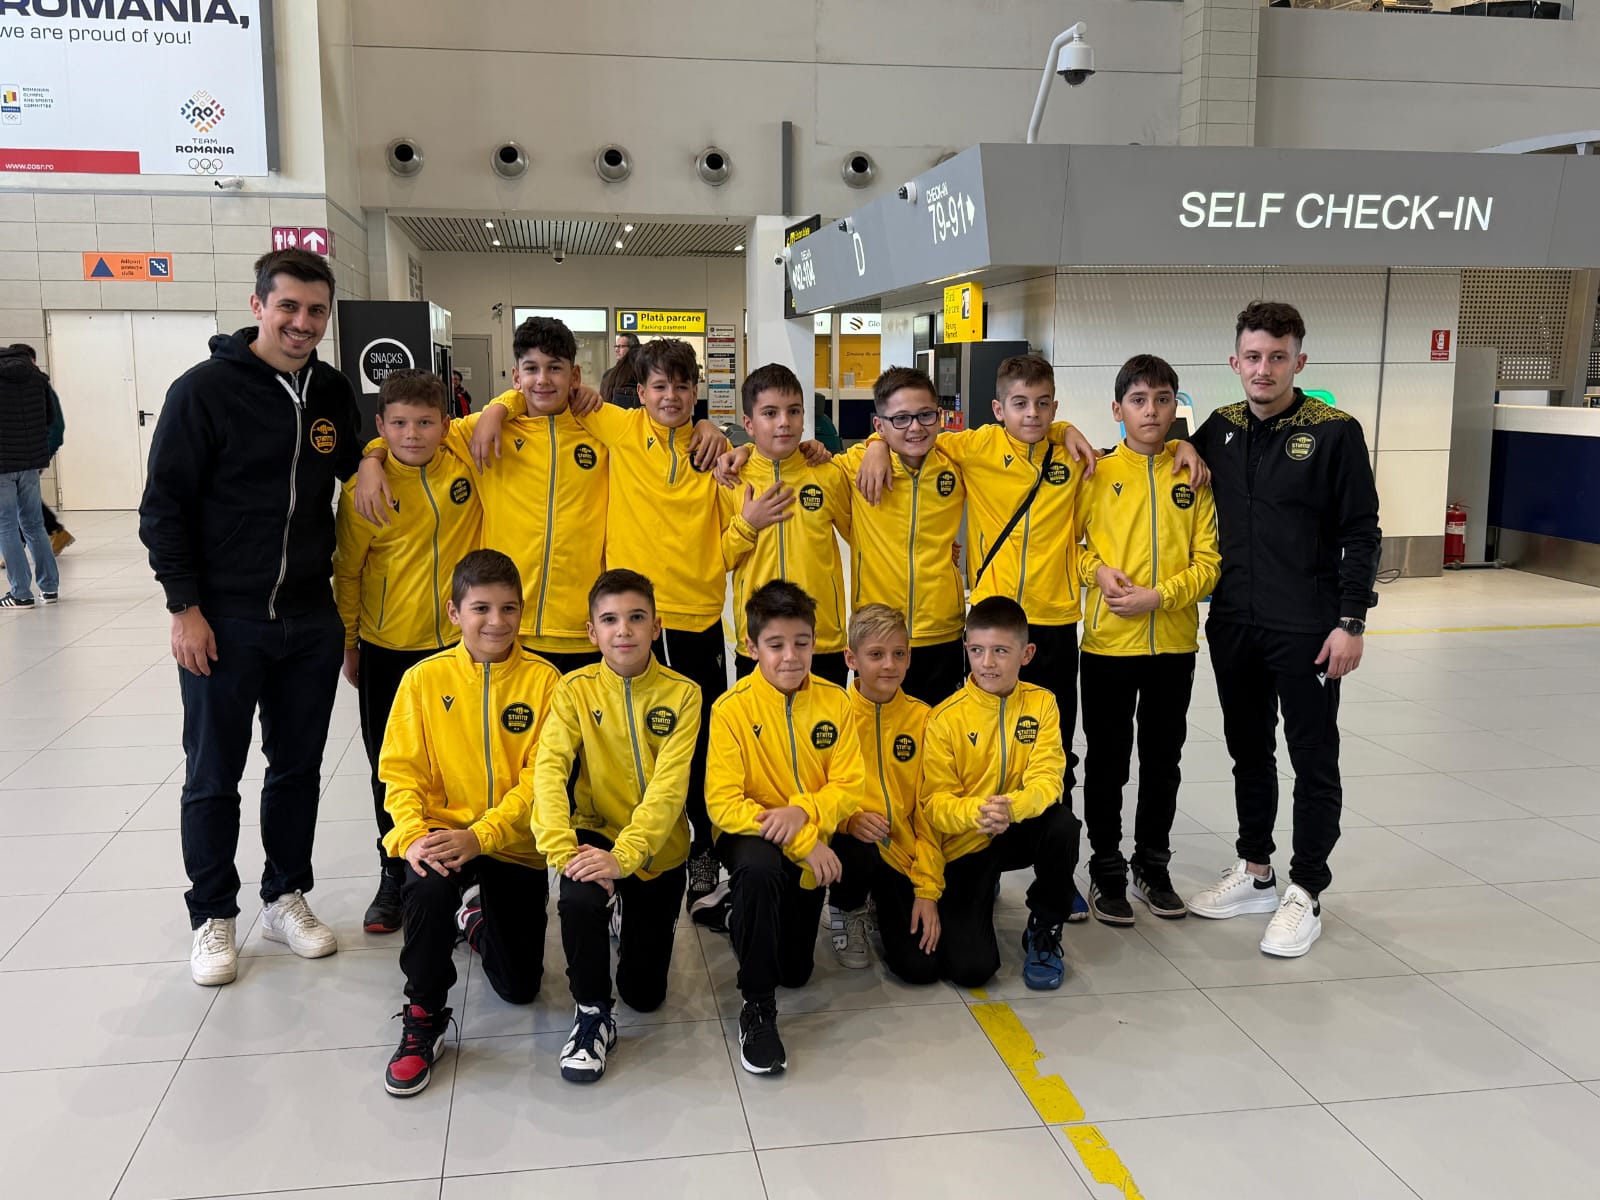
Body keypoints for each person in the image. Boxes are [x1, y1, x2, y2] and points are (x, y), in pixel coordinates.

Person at [139, 248, 363, 987]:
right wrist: (184, 608)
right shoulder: (202, 391)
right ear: (258, 305)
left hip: (309, 616)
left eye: (316, 310)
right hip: (225, 619)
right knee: (213, 774)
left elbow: (357, 457)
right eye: (288, 306)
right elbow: (163, 508)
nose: (302, 322)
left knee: (297, 769)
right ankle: (212, 913)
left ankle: (285, 895)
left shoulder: (330, 389)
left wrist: (372, 461)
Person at [498, 338, 729, 926]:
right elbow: (547, 389)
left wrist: (718, 432)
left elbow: (735, 520)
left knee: (696, 745)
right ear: (639, 391)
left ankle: (700, 850)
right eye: (659, 386)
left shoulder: (713, 451)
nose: (671, 397)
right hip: (632, 619)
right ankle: (607, 852)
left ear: (696, 391)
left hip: (696, 620)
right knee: (618, 743)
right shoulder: (619, 428)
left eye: (682, 386)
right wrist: (500, 406)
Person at [1185, 301, 1381, 958]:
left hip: (1308, 628)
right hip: (1234, 623)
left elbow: (1362, 532)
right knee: (1248, 751)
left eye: (1277, 357)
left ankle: (1306, 890)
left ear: (1300, 361)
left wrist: (1351, 621)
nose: (1263, 369)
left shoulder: (1335, 432)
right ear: (1234, 361)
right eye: (1253, 357)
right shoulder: (1221, 426)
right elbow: (1161, 452)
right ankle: (1256, 871)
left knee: (1313, 757)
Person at [379, 550, 560, 1096]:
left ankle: (475, 919)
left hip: (511, 843)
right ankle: (424, 1015)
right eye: (481, 608)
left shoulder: (546, 681)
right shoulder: (423, 680)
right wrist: (413, 837)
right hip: (441, 833)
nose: (496, 622)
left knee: (521, 988)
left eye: (509, 608)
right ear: (454, 612)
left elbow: (542, 780)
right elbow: (400, 773)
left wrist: (482, 836)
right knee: (426, 889)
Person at [357, 317, 609, 673]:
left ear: (575, 375)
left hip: (582, 625)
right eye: (531, 369)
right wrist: (372, 458)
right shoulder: (485, 431)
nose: (543, 379)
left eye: (555, 368)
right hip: (506, 625)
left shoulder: (600, 431)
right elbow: (414, 432)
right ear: (516, 376)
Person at [532, 569, 701, 1083]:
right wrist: (563, 852)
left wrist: (624, 860)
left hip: (658, 849)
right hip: (595, 828)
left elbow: (669, 791)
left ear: (657, 626)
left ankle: (626, 914)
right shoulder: (573, 690)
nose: (623, 630)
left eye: (636, 617)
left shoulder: (684, 694)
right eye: (609, 620)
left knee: (645, 996)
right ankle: (591, 1014)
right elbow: (549, 769)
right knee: (579, 896)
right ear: (592, 632)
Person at [332, 368, 482, 935]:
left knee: (460, 763)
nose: (412, 435)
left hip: (457, 648)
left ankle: (463, 869)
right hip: (387, 648)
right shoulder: (364, 490)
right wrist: (350, 643)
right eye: (398, 424)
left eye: (424, 423)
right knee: (390, 766)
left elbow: (511, 408)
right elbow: (348, 573)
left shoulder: (466, 465)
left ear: (446, 425)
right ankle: (393, 869)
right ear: (381, 425)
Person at [1077, 355, 1220, 926]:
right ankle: (1106, 867)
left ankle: (1152, 864)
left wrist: (1158, 598)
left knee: (1163, 762)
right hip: (1108, 646)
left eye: (1163, 399)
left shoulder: (1192, 475)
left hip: (1174, 647)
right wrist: (1097, 572)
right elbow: (1072, 548)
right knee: (1107, 762)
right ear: (1118, 409)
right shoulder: (1096, 473)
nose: (1151, 411)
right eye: (1138, 400)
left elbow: (1209, 563)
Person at [706, 580, 862, 1074]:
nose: (791, 657)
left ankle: (741, 916)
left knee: (795, 971)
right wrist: (801, 835)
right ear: (752, 647)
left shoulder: (837, 702)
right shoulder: (731, 709)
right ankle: (757, 1007)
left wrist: (803, 812)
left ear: (816, 642)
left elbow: (850, 785)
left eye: (801, 643)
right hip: (749, 834)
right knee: (758, 871)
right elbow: (722, 804)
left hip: (808, 835)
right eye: (775, 645)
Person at [921, 597, 1080, 990]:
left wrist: (1012, 807)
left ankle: (1045, 926)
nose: (987, 663)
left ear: (1027, 654)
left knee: (1062, 825)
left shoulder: (1042, 704)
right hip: (968, 839)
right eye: (976, 650)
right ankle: (980, 885)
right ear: (966, 649)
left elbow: (1049, 778)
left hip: (1017, 826)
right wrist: (977, 812)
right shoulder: (944, 718)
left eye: (1000, 651)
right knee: (971, 970)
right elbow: (934, 804)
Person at [827, 604, 943, 981]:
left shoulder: (925, 720)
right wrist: (847, 821)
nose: (889, 665)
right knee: (854, 846)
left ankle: (882, 901)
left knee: (920, 968)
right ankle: (847, 906)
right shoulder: (833, 716)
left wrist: (927, 889)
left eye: (899, 653)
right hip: (852, 845)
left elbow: (930, 811)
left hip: (902, 852)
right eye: (876, 654)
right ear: (852, 659)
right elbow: (813, 793)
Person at [721, 364, 851, 685]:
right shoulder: (732, 479)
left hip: (821, 639)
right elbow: (718, 558)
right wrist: (747, 525)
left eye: (794, 411)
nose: (784, 422)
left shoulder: (827, 474)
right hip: (759, 640)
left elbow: (864, 538)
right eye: (770, 413)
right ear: (749, 424)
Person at [0, 343, 60, 608]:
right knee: (34, 524)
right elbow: (49, 417)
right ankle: (50, 588)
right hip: (31, 461)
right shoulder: (37, 378)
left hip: (2, 464)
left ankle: (21, 593)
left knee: (6, 526)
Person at [6, 344, 72, 556]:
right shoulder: (18, 386)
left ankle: (45, 536)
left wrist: (44, 454)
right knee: (22, 501)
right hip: (23, 455)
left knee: (21, 503)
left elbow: (56, 426)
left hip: (32, 455)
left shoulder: (40, 385)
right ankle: (53, 533)